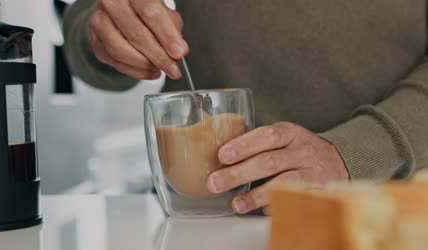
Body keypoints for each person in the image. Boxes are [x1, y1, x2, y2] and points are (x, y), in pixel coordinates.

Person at [63, 0, 428, 214]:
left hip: (390, 211)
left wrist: (360, 150)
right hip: (203, 217)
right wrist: (105, 29)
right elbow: (88, 18)